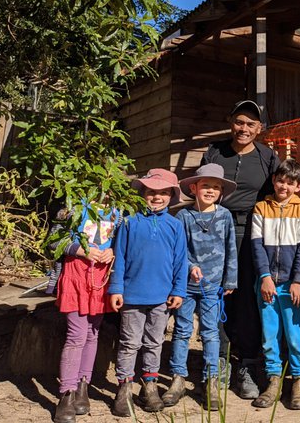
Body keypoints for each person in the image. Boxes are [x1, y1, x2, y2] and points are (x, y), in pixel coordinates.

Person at [201, 99, 278, 399]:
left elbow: (277, 194)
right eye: (239, 121)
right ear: (230, 121)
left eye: (250, 124)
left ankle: (246, 363)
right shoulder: (214, 152)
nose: (243, 128)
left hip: (251, 231)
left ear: (259, 129)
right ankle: (219, 362)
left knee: (247, 296)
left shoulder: (268, 157)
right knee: (217, 295)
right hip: (217, 228)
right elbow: (203, 188)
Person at [108, 169, 188, 418]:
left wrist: (178, 290)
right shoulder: (130, 221)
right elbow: (118, 256)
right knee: (130, 342)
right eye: (152, 192)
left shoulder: (174, 225)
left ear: (171, 196)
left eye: (163, 193)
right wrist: (117, 288)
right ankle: (123, 387)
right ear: (143, 193)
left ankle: (150, 384)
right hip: (133, 294)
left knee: (154, 342)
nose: (157, 197)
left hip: (162, 296)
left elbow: (181, 261)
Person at [163, 163, 239, 411]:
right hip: (186, 285)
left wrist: (230, 279)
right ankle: (178, 379)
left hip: (213, 286)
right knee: (182, 331)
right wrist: (188, 266)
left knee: (211, 333)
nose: (210, 190)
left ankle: (211, 381)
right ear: (194, 188)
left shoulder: (225, 216)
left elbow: (231, 249)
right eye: (206, 185)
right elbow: (178, 249)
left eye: (216, 187)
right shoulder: (184, 216)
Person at [50, 200, 121, 423]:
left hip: (101, 279)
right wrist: (81, 250)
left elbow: (120, 243)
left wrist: (112, 252)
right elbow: (53, 241)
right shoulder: (72, 206)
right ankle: (66, 393)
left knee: (92, 333)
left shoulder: (117, 211)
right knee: (76, 336)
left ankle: (83, 385)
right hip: (76, 275)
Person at [250, 158, 300, 410]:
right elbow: (256, 245)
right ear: (274, 181)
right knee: (269, 333)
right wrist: (264, 277)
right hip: (266, 284)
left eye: (290, 183)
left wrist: (297, 280)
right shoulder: (261, 208)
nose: (283, 186)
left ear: (298, 186)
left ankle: (298, 381)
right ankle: (273, 380)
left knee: (295, 334)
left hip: (290, 284)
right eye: (280, 180)